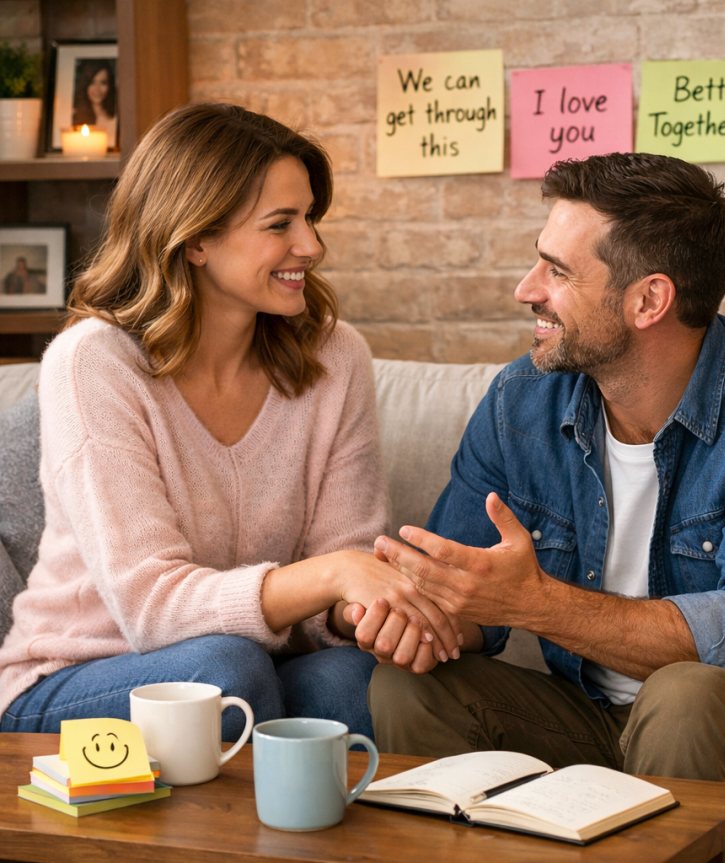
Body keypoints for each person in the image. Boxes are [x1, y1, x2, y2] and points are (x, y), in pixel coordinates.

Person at [353, 152, 725, 786]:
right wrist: (416, 616)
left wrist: (537, 604)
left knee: (683, 700)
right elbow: (463, 586)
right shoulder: (522, 401)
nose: (526, 289)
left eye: (557, 271)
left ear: (648, 299)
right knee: (409, 688)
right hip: (587, 713)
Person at [0, 103, 460, 740]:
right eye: (281, 224)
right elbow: (151, 610)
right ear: (195, 239)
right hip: (78, 675)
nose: (312, 246)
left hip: (257, 666)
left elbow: (340, 566)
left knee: (357, 684)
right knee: (223, 672)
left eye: (309, 218)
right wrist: (334, 575)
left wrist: (377, 610)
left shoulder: (335, 356)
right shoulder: (93, 363)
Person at [72, 60, 118, 146]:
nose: (97, 89)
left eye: (103, 82)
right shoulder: (75, 116)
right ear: (86, 84)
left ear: (109, 85)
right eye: (92, 82)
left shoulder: (115, 120)